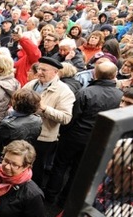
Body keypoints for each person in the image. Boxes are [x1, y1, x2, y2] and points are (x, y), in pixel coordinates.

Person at [47, 61, 123, 205]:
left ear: (95, 74)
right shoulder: (120, 95)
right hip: (97, 139)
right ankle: (64, 199)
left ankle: (50, 196)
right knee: (77, 170)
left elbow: (73, 117)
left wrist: (64, 133)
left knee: (60, 166)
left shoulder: (85, 92)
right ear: (114, 76)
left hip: (74, 136)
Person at [22, 57, 75, 188]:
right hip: (23, 131)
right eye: (39, 68)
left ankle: (31, 196)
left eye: (44, 70)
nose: (39, 72)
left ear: (55, 72)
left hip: (43, 138)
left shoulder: (64, 91)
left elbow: (66, 118)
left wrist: (45, 109)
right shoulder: (32, 84)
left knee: (35, 170)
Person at [0, 88, 42, 165]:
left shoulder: (8, 125)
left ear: (16, 103)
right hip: (22, 158)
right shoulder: (37, 119)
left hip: (4, 159)